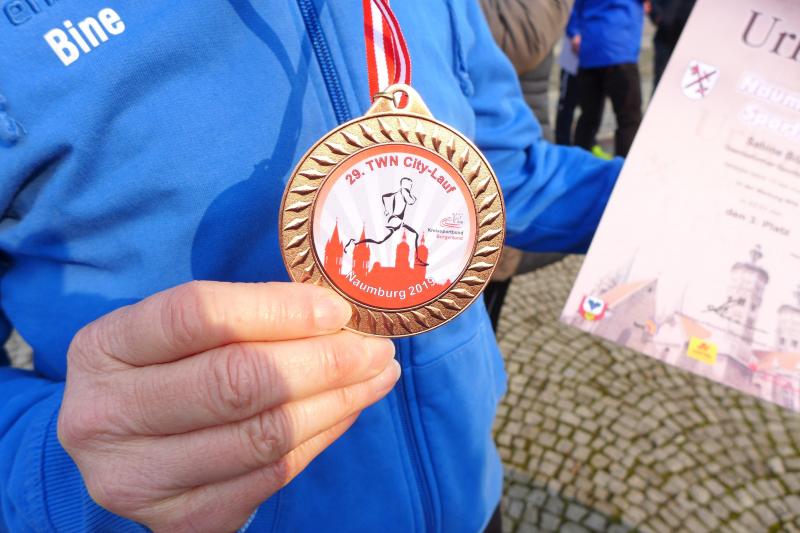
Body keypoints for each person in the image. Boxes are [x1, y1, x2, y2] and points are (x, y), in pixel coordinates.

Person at [0, 2, 621, 532]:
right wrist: (61, 475)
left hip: (470, 495)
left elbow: (497, 173)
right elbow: (51, 469)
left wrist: (658, 202)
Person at [568, 0, 646, 157]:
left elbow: (573, 9)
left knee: (588, 118)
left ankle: (579, 166)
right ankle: (626, 168)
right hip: (620, 50)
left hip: (590, 49)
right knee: (629, 120)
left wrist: (574, 32)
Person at [650, 0, 697, 90]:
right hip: (664, 38)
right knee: (661, 79)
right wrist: (657, 16)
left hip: (691, 38)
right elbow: (652, 4)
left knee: (686, 79)